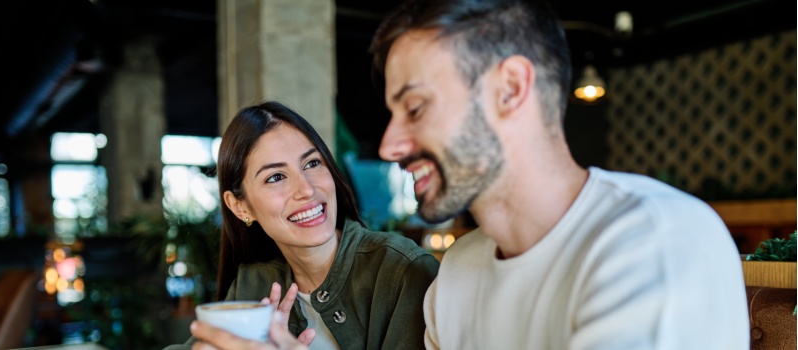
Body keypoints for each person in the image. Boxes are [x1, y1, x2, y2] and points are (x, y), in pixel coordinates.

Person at [369, 0, 749, 349]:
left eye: (415, 108)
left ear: (510, 89)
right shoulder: (456, 274)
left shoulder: (655, 241)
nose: (388, 147)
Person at [164, 101, 439, 350]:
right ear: (241, 206)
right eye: (276, 177)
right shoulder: (255, 282)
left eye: (312, 163)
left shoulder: (402, 272)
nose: (306, 189)